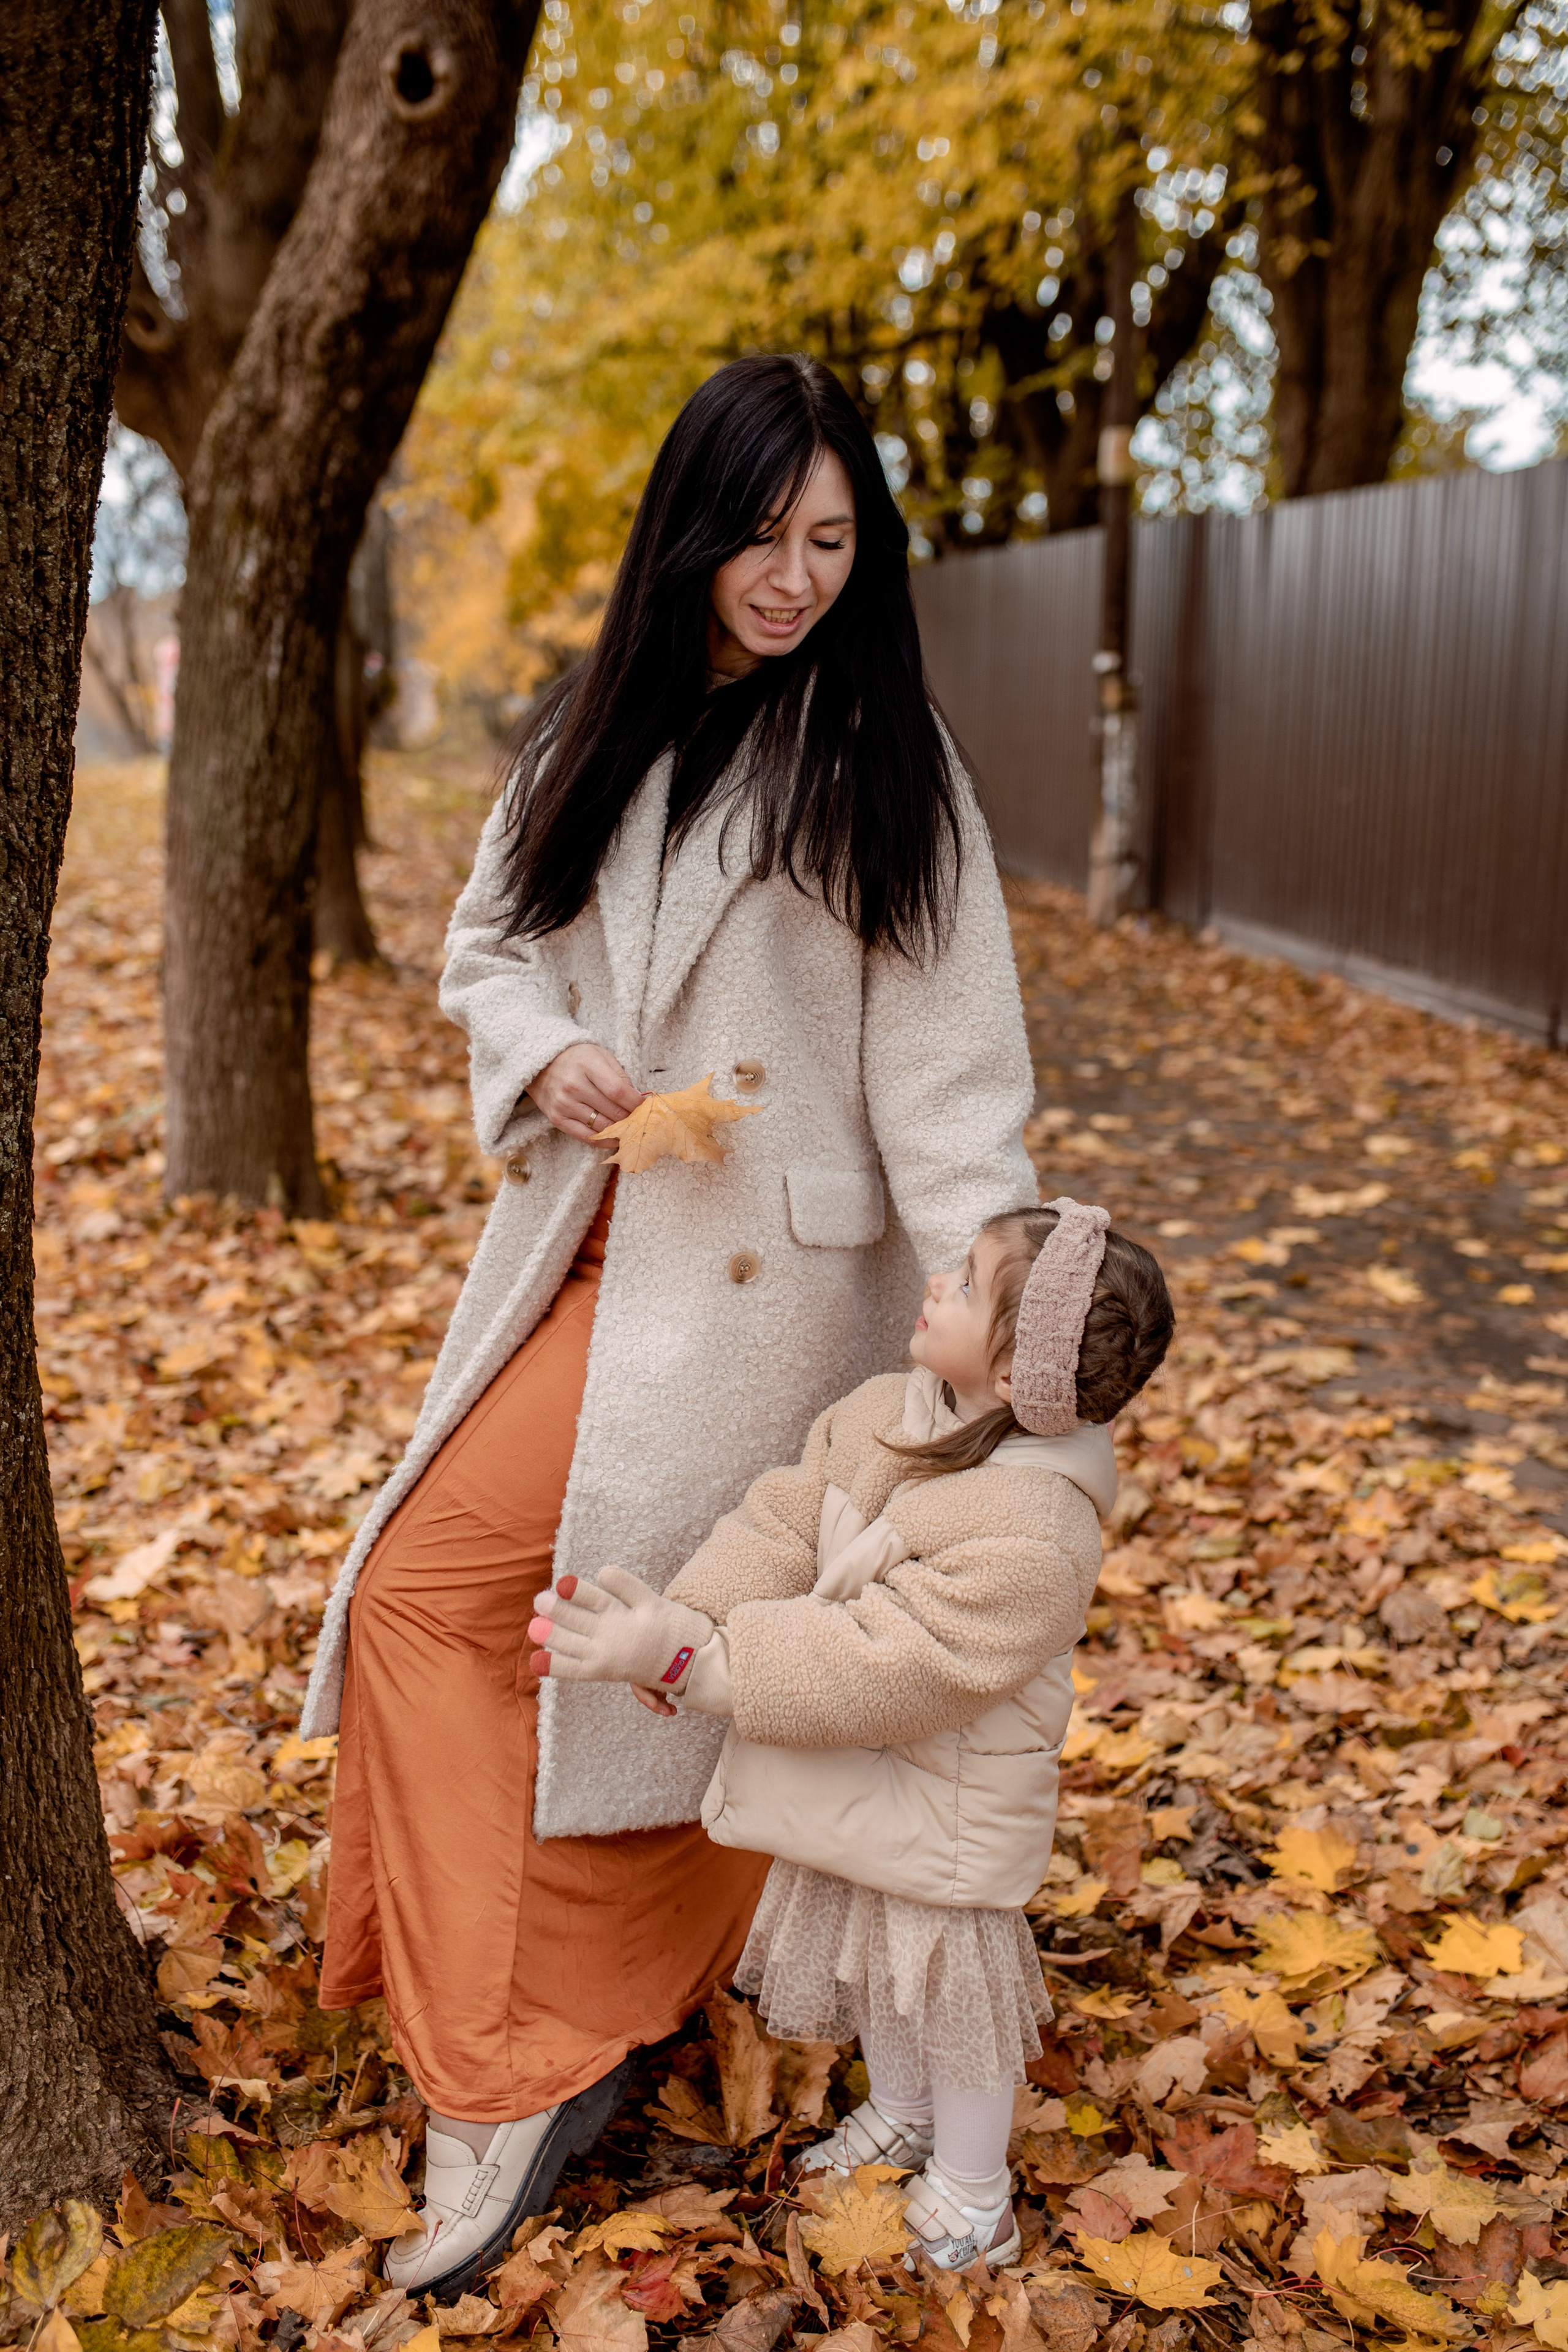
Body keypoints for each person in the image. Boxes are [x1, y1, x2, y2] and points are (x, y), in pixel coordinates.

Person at [297, 352, 1042, 2299]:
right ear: (685, 531)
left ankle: (516, 2066)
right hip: (583, 1260)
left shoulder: (892, 760)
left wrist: (1002, 1384)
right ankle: (539, 2031)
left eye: (829, 538)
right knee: (429, 1599)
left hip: (774, 1316)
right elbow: (484, 949)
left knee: (619, 1637)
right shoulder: (594, 722)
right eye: (756, 536)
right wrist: (544, 1053)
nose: (791, 577)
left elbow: (958, 1093)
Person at [534, 1200, 1174, 2270]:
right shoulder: (887, 1411)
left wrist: (700, 1669)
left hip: (952, 1804)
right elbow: (783, 1520)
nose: (937, 1282)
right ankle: (903, 2113)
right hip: (864, 1784)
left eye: (968, 1285)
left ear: (1017, 1376)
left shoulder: (1034, 1533)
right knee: (877, 1963)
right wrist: (691, 1625)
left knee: (948, 1990)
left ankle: (976, 2191)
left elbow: (883, 1666)